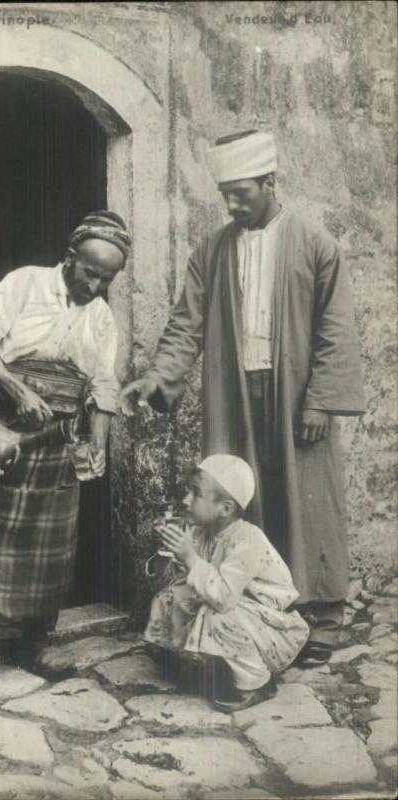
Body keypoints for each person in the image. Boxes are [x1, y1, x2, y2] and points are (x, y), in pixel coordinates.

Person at [122, 130, 365, 666]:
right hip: (232, 390)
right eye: (226, 194)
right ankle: (254, 610)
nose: (233, 204)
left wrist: (321, 399)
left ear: (271, 182)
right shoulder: (211, 250)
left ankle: (321, 616)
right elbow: (187, 323)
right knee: (237, 502)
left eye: (243, 192)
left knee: (308, 497)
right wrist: (160, 375)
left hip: (297, 390)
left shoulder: (315, 243)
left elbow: (335, 328)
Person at [0, 211, 131, 691]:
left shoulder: (101, 317)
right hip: (3, 427)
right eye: (90, 271)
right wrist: (16, 391)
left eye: (106, 278)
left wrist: (98, 443)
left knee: (47, 549)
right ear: (70, 258)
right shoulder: (24, 284)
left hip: (59, 435)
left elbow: (104, 384)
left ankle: (35, 644)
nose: (96, 283)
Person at [144, 454, 310, 712]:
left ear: (226, 508)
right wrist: (167, 552)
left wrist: (189, 557)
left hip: (271, 629)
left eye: (196, 493)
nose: (186, 500)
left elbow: (223, 597)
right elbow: (184, 581)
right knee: (171, 596)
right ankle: (183, 656)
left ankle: (256, 682)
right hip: (237, 612)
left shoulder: (247, 539)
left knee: (218, 616)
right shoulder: (200, 532)